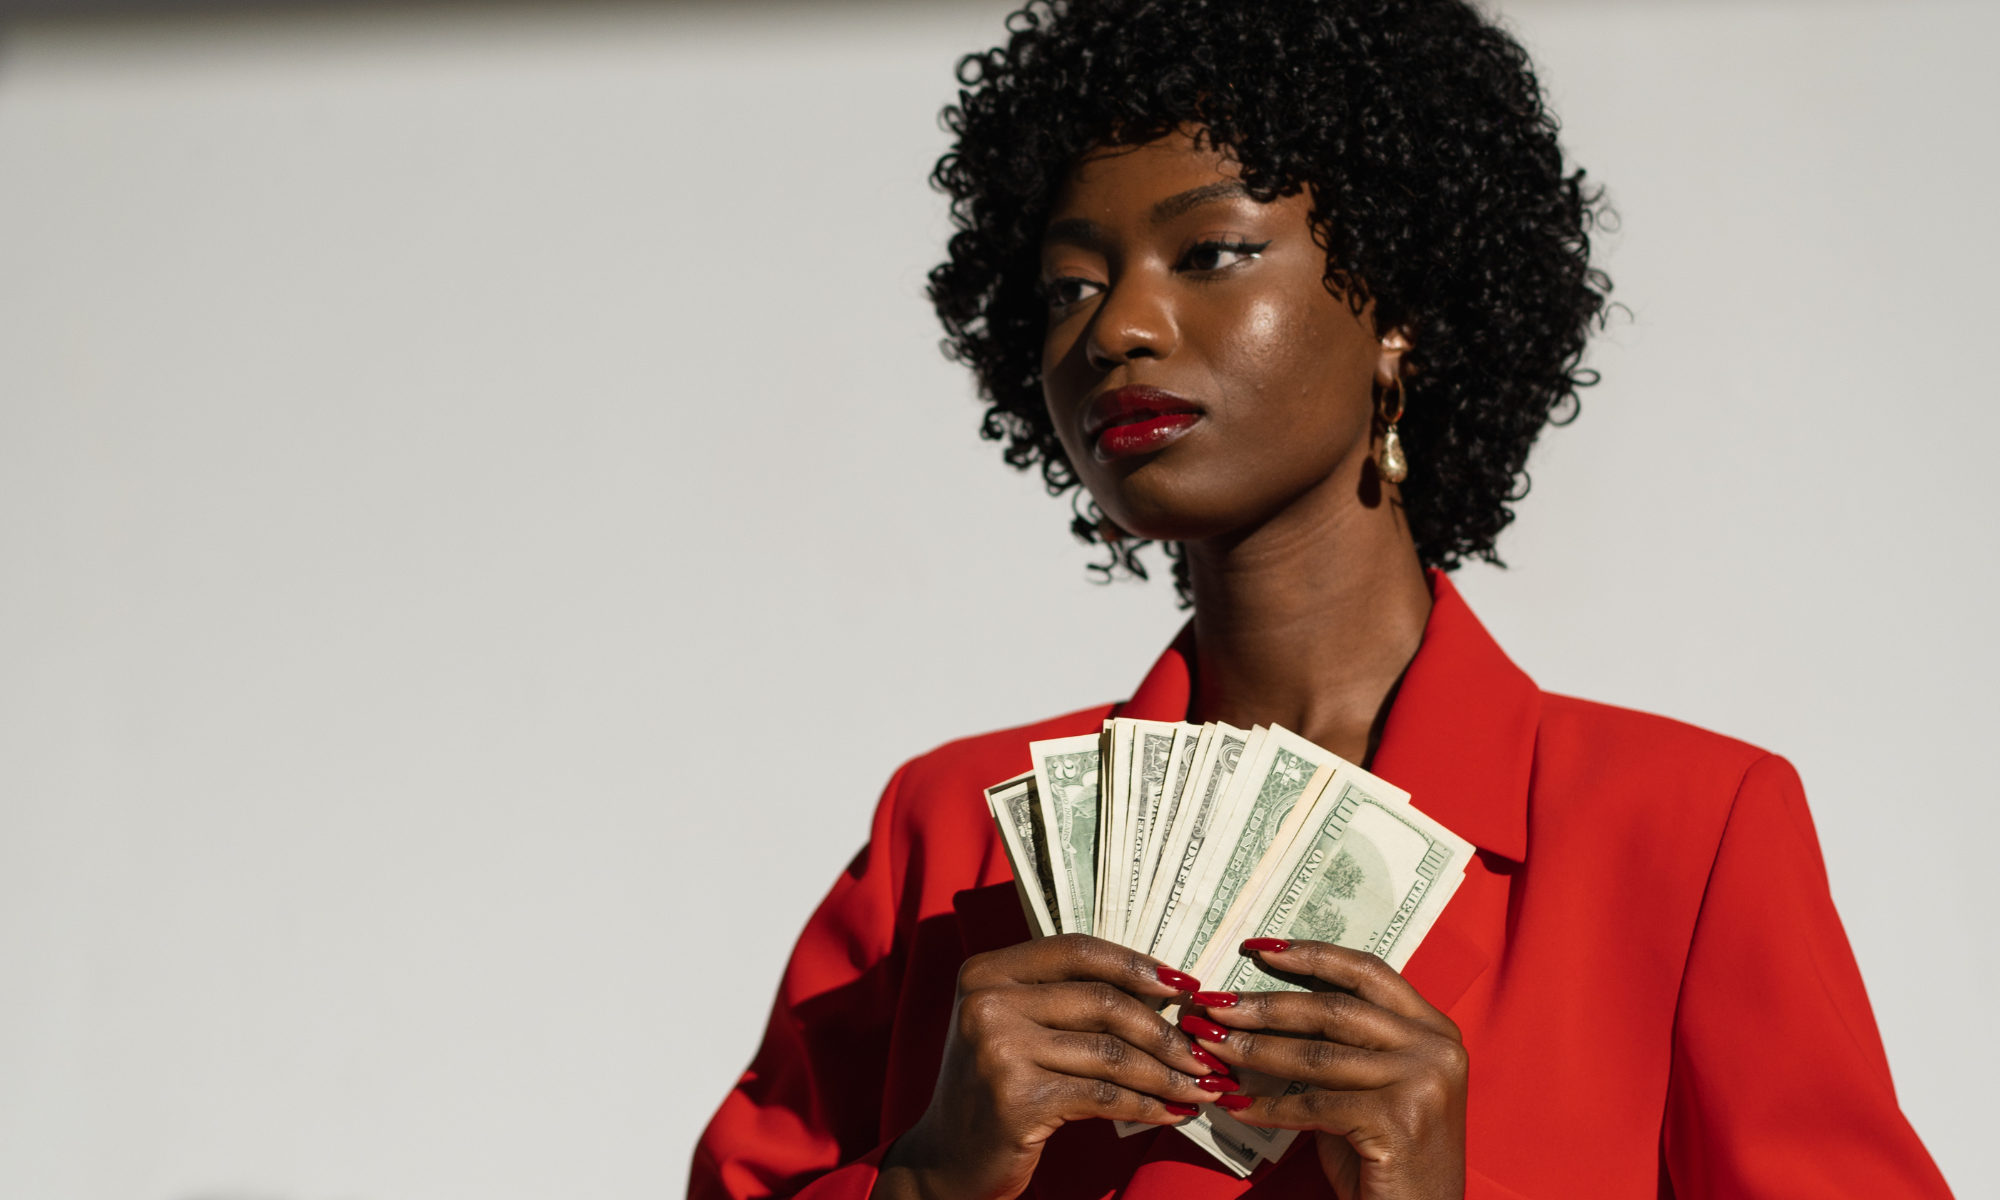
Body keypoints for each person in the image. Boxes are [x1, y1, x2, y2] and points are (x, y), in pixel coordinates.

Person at [689, 1, 1954, 1197]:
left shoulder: (1683, 836)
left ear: (1397, 308)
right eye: (1070, 284)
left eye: (1210, 253)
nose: (1119, 326)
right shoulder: (949, 838)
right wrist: (927, 1177)